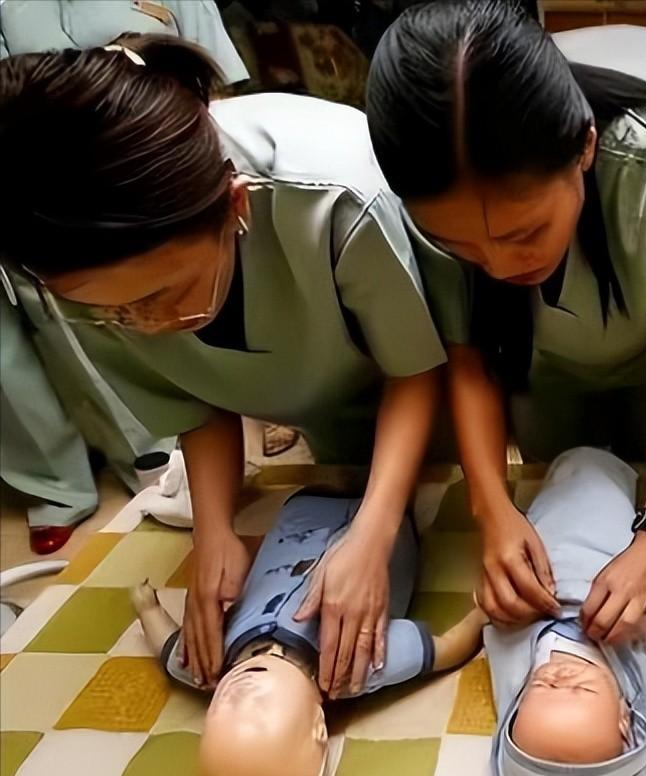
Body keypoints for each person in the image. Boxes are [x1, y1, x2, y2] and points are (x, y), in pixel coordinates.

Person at [0, 36, 446, 698]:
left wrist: (375, 531)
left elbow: (416, 368)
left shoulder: (333, 196)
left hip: (420, 380)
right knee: (338, 499)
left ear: (235, 207)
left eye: (163, 296)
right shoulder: (63, 267)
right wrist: (214, 530)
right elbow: (190, 396)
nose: (147, 326)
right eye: (113, 314)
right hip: (313, 402)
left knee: (433, 516)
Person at [366, 1, 646, 645]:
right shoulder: (428, 208)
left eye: (526, 232)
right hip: (538, 390)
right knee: (560, 500)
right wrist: (492, 508)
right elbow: (471, 359)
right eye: (463, 250)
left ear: (585, 147)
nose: (501, 265)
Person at [0, 0, 249, 554]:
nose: (155, 320)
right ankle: (70, 480)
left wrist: (198, 168)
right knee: (74, 337)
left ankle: (156, 456)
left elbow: (219, 83)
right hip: (52, 218)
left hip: (164, 189)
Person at [130, 494, 487, 776]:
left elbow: (168, 649)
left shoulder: (207, 661)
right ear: (318, 725)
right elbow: (442, 650)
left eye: (222, 710)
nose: (239, 695)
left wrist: (148, 609)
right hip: (384, 517)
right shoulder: (356, 666)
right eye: (259, 708)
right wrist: (480, 618)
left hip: (303, 507)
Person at [473, 447, 646, 775]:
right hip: (608, 553)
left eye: (542, 687)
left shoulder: (519, 671)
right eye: (582, 689)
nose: (560, 678)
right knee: (604, 492)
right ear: (624, 718)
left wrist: (494, 606)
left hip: (543, 559)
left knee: (561, 490)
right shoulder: (632, 673)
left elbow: (500, 637)